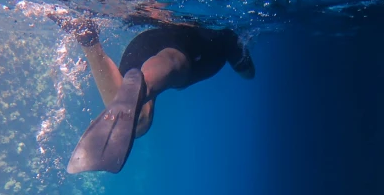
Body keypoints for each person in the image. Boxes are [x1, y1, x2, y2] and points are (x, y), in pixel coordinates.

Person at [49, 15, 255, 174]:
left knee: (136, 123)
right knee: (175, 62)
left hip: (144, 41)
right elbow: (249, 74)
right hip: (191, 46)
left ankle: (89, 40)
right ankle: (141, 83)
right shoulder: (225, 38)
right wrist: (241, 53)